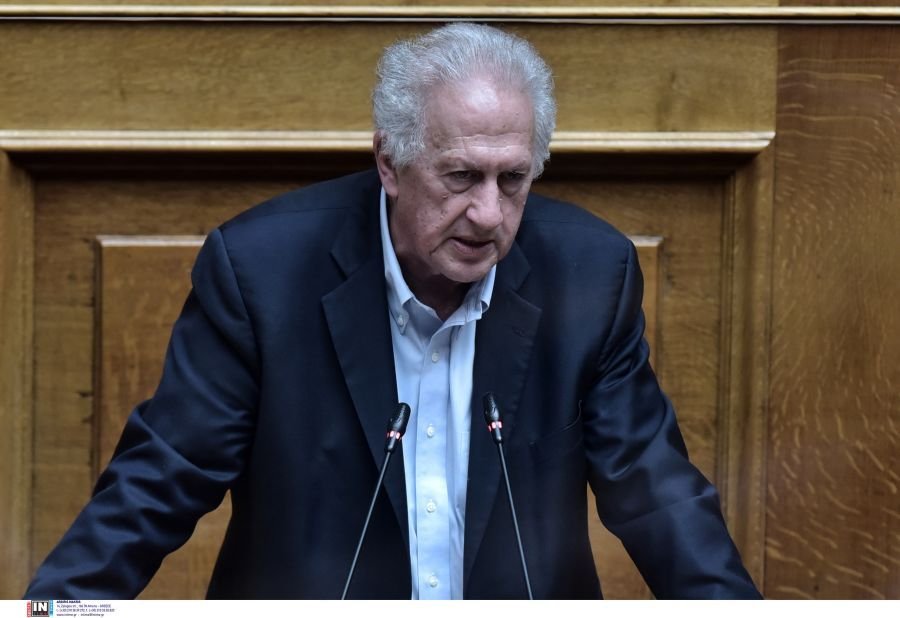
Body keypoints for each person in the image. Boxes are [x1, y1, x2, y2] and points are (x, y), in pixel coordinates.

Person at [25, 23, 761, 600]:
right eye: (461, 176)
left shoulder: (591, 274)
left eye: (512, 180)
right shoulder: (262, 275)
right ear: (389, 163)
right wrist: (53, 610)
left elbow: (658, 494)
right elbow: (159, 482)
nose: (488, 213)